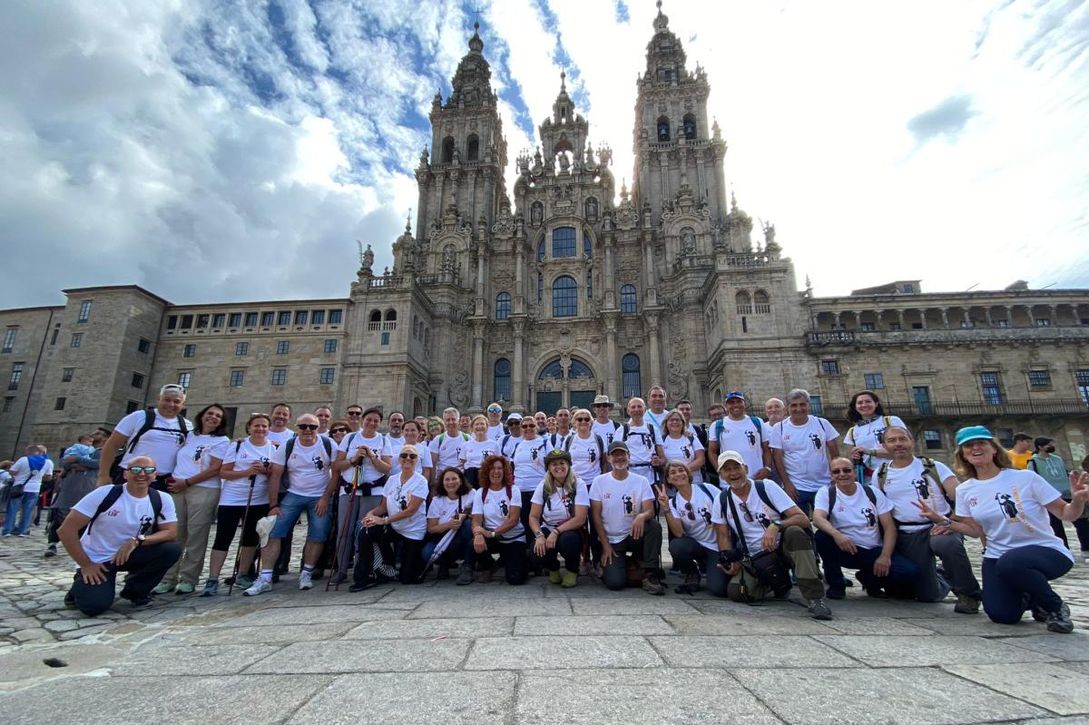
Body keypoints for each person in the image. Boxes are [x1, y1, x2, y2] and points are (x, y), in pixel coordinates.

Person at [915, 426, 1087, 633]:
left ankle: (1054, 606)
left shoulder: (1025, 478)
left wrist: (1077, 501)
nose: (975, 448)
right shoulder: (964, 490)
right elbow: (974, 530)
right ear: (963, 454)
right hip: (997, 556)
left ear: (994, 448)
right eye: (969, 446)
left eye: (981, 443)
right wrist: (943, 521)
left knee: (1012, 562)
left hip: (1044, 551)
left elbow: (1066, 514)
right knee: (1001, 614)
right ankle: (1033, 597)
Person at [710, 451, 833, 619]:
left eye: (737, 467)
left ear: (745, 468)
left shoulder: (766, 487)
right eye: (727, 470)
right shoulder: (722, 499)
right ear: (722, 475)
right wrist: (730, 560)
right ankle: (776, 582)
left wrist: (776, 525)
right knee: (736, 592)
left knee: (796, 532)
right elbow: (722, 535)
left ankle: (815, 598)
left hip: (783, 547)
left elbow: (802, 519)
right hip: (755, 555)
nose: (733, 473)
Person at [873, 426, 982, 612]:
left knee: (947, 545)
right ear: (884, 445)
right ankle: (942, 574)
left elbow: (963, 499)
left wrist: (951, 522)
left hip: (938, 527)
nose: (898, 444)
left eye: (902, 439)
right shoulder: (881, 474)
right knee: (927, 595)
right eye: (892, 440)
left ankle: (968, 594)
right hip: (907, 533)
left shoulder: (934, 467)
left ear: (911, 442)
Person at [58, 456, 180, 616]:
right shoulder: (105, 494)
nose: (142, 474)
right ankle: (79, 586)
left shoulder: (161, 498)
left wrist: (138, 541)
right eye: (136, 470)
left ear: (155, 475)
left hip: (128, 553)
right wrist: (86, 565)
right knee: (93, 607)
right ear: (125, 474)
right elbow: (66, 530)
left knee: (171, 549)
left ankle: (135, 590)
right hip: (98, 559)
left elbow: (170, 532)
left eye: (148, 470)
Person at [245, 414, 338, 595]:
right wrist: (273, 505)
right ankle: (265, 576)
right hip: (294, 494)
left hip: (319, 495)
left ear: (318, 428)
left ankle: (306, 573)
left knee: (318, 534)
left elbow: (335, 473)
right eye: (303, 426)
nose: (308, 430)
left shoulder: (328, 444)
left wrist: (326, 497)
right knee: (272, 531)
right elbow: (276, 475)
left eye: (312, 427)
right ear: (297, 427)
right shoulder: (289, 445)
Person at [813, 457, 917, 599]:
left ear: (854, 473)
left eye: (847, 470)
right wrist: (838, 535)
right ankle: (836, 585)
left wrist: (885, 557)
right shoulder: (827, 493)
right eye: (836, 471)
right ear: (831, 475)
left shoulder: (872, 492)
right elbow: (818, 518)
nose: (842, 474)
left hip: (873, 549)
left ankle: (869, 579)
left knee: (909, 573)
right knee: (821, 537)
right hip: (846, 547)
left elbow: (889, 527)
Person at [155, 404, 229, 594]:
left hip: (203, 489)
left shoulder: (222, 441)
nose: (213, 417)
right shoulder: (188, 435)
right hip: (177, 489)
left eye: (218, 416)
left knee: (196, 535)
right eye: (210, 413)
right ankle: (168, 577)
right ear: (201, 416)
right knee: (174, 534)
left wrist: (187, 482)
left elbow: (215, 468)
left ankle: (189, 578)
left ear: (222, 421)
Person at [202, 413, 273, 596]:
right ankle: (213, 578)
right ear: (249, 427)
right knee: (223, 538)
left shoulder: (272, 448)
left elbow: (273, 473)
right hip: (232, 499)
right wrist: (248, 471)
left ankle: (242, 573)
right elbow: (224, 472)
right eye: (257, 426)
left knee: (250, 538)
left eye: (264, 426)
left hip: (258, 499)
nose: (260, 429)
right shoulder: (238, 445)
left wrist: (264, 471)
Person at [350, 444, 430, 590]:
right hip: (395, 526)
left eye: (412, 456)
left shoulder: (421, 481)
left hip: (413, 531)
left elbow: (410, 510)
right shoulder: (392, 480)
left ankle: (393, 567)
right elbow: (383, 506)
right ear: (398, 459)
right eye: (404, 455)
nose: (408, 459)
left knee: (408, 578)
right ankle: (364, 576)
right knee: (366, 532)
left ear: (417, 460)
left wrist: (384, 520)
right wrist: (371, 514)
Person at [590, 441, 664, 595]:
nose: (619, 458)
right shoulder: (599, 481)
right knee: (615, 583)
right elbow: (596, 517)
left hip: (633, 534)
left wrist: (642, 516)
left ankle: (650, 572)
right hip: (612, 538)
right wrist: (605, 545)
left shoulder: (641, 481)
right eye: (615, 455)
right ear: (608, 459)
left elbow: (649, 510)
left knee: (654, 526)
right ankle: (624, 564)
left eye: (622, 454)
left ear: (629, 457)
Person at [330, 408, 393, 583]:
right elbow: (337, 465)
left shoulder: (383, 440)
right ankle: (341, 569)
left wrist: (372, 457)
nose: (372, 423)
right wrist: (354, 458)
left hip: (372, 491)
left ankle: (361, 569)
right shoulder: (350, 438)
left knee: (364, 531)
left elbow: (386, 468)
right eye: (369, 419)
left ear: (380, 423)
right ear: (363, 420)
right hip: (349, 491)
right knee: (344, 531)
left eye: (376, 421)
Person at [98, 384, 191, 489]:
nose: (171, 404)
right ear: (158, 399)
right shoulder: (138, 417)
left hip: (163, 483)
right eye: (167, 400)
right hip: (131, 477)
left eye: (177, 402)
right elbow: (112, 445)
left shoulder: (187, 425)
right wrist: (103, 475)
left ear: (183, 405)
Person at [661, 460, 726, 595]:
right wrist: (666, 508)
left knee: (718, 589)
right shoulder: (674, 503)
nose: (678, 474)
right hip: (697, 545)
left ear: (688, 473)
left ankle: (710, 566)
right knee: (676, 546)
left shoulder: (707, 489)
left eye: (681, 470)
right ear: (668, 479)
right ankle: (692, 572)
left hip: (718, 545)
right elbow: (679, 533)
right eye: (673, 473)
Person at [768, 388, 839, 511]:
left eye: (802, 404)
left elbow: (834, 453)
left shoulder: (822, 423)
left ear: (808, 405)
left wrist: (835, 477)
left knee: (829, 523)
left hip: (824, 485)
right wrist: (787, 484)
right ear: (787, 408)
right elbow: (777, 459)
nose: (798, 409)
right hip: (796, 487)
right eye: (794, 405)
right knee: (800, 527)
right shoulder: (778, 428)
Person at [528, 449, 589, 588]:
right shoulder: (543, 486)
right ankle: (553, 567)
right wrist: (539, 535)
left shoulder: (578, 484)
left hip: (571, 528)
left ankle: (572, 569)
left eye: (562, 463)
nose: (558, 467)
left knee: (568, 541)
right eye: (554, 464)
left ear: (569, 465)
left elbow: (580, 518)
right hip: (549, 526)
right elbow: (533, 516)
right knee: (535, 551)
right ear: (548, 468)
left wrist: (556, 532)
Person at [46, 429, 108, 557]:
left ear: (105, 438)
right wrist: (75, 464)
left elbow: (99, 464)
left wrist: (77, 460)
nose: (92, 435)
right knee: (59, 515)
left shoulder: (104, 452)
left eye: (97, 434)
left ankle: (80, 546)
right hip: (69, 487)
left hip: (87, 488)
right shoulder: (77, 449)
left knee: (83, 517)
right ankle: (52, 543)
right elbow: (64, 462)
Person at [466, 455, 527, 585]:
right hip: (492, 537)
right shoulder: (481, 492)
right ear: (486, 471)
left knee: (515, 579)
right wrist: (478, 533)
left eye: (500, 468)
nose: (496, 471)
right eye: (492, 468)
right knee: (474, 544)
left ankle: (516, 560)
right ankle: (488, 566)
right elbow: (476, 520)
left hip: (513, 538)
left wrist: (492, 533)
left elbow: (513, 520)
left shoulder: (513, 490)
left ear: (505, 471)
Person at [1030, 437, 1089, 556]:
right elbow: (1033, 480)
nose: (1051, 446)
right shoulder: (1033, 462)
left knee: (1081, 521)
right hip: (1049, 497)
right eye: (1048, 444)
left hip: (1066, 494)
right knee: (1056, 525)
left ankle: (1086, 548)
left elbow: (1065, 473)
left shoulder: (1058, 459)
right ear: (1040, 447)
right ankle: (1064, 550)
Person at [707, 392, 772, 484]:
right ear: (726, 406)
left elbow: (766, 448)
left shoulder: (757, 422)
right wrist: (720, 470)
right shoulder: (717, 425)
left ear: (744, 403)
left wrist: (767, 468)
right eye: (731, 402)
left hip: (757, 477)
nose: (735, 405)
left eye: (738, 401)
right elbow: (712, 451)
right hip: (730, 479)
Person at [423, 467, 474, 581]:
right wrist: (449, 524)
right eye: (447, 480)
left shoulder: (471, 494)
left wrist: (464, 516)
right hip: (442, 536)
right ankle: (444, 564)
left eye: (454, 479)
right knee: (427, 552)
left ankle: (467, 565)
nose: (451, 482)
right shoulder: (437, 500)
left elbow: (473, 513)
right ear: (442, 482)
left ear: (461, 480)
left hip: (461, 536)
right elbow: (431, 528)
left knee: (468, 525)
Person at [843, 390, 905, 476]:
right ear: (855, 407)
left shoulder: (891, 421)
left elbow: (902, 450)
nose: (864, 405)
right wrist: (855, 458)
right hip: (869, 480)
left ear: (876, 404)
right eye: (860, 403)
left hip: (897, 473)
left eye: (868, 401)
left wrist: (869, 451)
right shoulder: (852, 432)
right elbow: (850, 461)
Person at [3, 445, 53, 537]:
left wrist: (20, 475)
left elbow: (12, 471)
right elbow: (49, 477)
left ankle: (8, 530)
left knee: (13, 509)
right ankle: (23, 531)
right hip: (35, 489)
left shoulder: (23, 459)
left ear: (28, 452)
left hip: (19, 487)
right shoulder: (48, 462)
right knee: (28, 510)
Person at [510, 415, 548, 538]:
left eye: (531, 425)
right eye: (524, 426)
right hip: (520, 490)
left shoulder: (545, 443)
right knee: (525, 521)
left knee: (539, 521)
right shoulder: (519, 445)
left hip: (538, 489)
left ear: (536, 426)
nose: (528, 428)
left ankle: (540, 550)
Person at [620, 397, 664, 485]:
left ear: (644, 410)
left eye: (639, 407)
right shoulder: (621, 431)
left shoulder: (653, 429)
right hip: (629, 478)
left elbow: (662, 458)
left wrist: (658, 461)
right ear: (628, 411)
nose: (636, 409)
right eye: (633, 407)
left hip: (651, 478)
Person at [660, 410, 706, 484]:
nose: (675, 422)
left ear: (683, 423)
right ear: (666, 423)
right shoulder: (661, 440)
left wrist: (682, 471)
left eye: (678, 420)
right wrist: (676, 474)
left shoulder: (692, 438)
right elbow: (661, 462)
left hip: (694, 481)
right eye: (671, 420)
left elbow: (701, 459)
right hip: (672, 484)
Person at [459, 415, 498, 488]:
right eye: (476, 424)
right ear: (472, 428)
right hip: (470, 477)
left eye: (482, 424)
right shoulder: (466, 445)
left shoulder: (494, 444)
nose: (479, 426)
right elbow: (462, 463)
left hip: (487, 476)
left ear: (487, 427)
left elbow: (498, 462)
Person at [430, 408, 467, 481]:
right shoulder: (438, 440)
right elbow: (433, 464)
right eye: (447, 420)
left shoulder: (467, 439)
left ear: (458, 421)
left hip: (461, 479)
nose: (450, 422)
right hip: (442, 479)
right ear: (444, 422)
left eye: (453, 419)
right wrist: (433, 483)